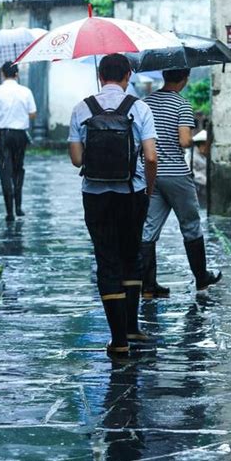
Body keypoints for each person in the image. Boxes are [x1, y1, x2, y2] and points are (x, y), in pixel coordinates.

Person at [68, 54, 158, 357]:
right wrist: (149, 187)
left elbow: (77, 159)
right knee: (131, 255)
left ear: (99, 75)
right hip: (132, 192)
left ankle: (119, 340)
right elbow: (151, 156)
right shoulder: (139, 107)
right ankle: (132, 327)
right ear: (128, 75)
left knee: (107, 260)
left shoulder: (82, 108)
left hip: (95, 194)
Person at [140, 68, 221, 296]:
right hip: (176, 174)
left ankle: (148, 286)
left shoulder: (145, 103)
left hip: (152, 173)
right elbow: (184, 141)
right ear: (184, 80)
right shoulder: (182, 104)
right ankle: (202, 280)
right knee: (190, 226)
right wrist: (197, 137)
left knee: (148, 230)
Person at [0, 62, 37, 222]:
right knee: (18, 169)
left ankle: (9, 212)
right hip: (20, 136)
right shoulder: (25, 92)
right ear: (17, 74)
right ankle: (18, 206)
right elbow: (33, 114)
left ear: (2, 74)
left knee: (5, 171)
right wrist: (20, 115)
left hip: (2, 135)